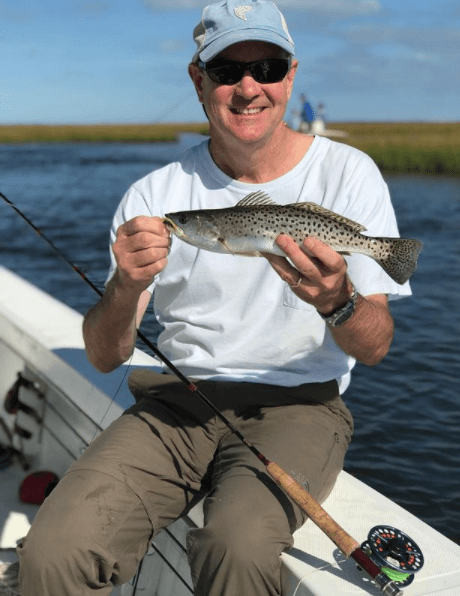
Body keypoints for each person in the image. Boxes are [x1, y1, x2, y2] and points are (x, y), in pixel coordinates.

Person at [18, 1, 412, 595]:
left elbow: (376, 345)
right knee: (53, 550)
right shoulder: (153, 195)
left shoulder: (350, 174)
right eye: (227, 72)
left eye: (268, 67)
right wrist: (126, 285)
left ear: (291, 75)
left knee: (238, 547)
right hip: (174, 405)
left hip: (299, 406)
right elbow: (104, 356)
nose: (249, 86)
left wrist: (338, 301)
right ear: (198, 81)